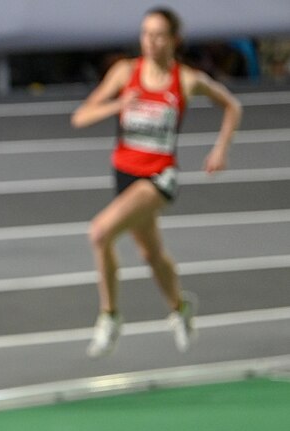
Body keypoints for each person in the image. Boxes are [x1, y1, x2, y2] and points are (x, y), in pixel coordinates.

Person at [71, 7, 241, 357]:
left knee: (100, 232)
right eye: (146, 34)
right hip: (124, 173)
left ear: (175, 40)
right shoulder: (125, 72)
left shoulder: (187, 80)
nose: (151, 41)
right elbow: (81, 116)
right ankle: (180, 308)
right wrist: (119, 104)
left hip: (159, 176)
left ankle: (109, 316)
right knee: (151, 253)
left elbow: (232, 106)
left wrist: (221, 149)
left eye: (159, 34)